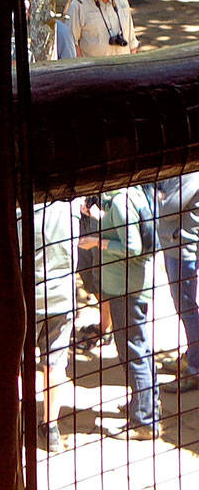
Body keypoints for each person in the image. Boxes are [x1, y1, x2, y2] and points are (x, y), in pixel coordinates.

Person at [86, 183, 160, 437]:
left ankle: (145, 421)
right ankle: (146, 405)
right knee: (141, 348)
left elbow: (133, 247)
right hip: (131, 285)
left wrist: (98, 241)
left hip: (125, 289)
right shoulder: (131, 194)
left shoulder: (120, 202)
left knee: (133, 351)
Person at [20, 199, 81, 452]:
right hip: (63, 298)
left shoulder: (22, 210)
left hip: (28, 300)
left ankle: (17, 426)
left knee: (18, 365)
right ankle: (51, 428)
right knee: (55, 365)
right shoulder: (71, 206)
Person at [152, 172, 199, 394]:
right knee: (184, 309)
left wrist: (157, 197)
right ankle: (190, 356)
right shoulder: (179, 170)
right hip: (175, 247)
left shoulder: (192, 174)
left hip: (183, 252)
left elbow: (167, 207)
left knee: (187, 309)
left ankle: (195, 369)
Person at [63, 0, 139, 57]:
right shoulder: (79, 4)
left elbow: (131, 37)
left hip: (122, 64)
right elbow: (71, 41)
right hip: (94, 66)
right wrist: (83, 66)